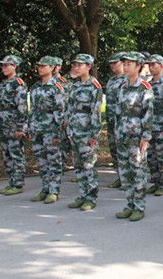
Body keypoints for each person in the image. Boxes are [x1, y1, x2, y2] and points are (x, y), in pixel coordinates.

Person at [114, 52, 154, 221]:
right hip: (122, 134)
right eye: (124, 64)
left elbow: (148, 113)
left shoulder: (144, 87)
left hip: (136, 136)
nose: (126, 67)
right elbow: (118, 112)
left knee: (138, 171)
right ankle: (129, 204)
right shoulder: (122, 86)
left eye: (129, 64)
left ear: (139, 66)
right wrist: (116, 132)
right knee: (125, 172)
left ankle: (139, 206)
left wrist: (145, 137)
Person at [65, 54, 103, 211]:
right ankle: (82, 194)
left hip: (87, 132)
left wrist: (94, 134)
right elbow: (69, 109)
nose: (76, 68)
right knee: (78, 166)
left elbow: (96, 112)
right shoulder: (74, 85)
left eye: (80, 65)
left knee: (89, 166)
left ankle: (91, 197)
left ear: (89, 67)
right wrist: (69, 129)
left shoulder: (94, 86)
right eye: (75, 65)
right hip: (75, 131)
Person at [28, 56, 65, 204]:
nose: (40, 68)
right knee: (41, 160)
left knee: (53, 160)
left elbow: (59, 112)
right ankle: (45, 188)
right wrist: (30, 127)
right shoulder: (35, 87)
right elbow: (32, 109)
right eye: (39, 66)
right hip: (37, 128)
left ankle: (54, 190)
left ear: (52, 68)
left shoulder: (57, 87)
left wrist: (57, 133)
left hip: (50, 129)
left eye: (44, 66)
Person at [0, 55, 28, 196]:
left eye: (6, 65)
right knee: (6, 154)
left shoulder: (18, 84)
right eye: (2, 66)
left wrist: (20, 127)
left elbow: (22, 107)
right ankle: (11, 181)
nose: (3, 68)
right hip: (3, 124)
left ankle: (18, 183)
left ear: (14, 66)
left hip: (14, 124)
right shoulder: (3, 84)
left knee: (16, 154)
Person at [144, 54, 163, 196]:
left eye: (154, 65)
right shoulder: (147, 85)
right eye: (149, 65)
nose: (151, 67)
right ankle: (155, 181)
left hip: (161, 127)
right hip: (149, 126)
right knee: (151, 156)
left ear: (162, 66)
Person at [105, 52, 128, 189]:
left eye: (115, 63)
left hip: (122, 120)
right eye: (111, 63)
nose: (113, 66)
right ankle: (120, 176)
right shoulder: (111, 80)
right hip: (110, 118)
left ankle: (128, 178)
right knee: (114, 149)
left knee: (124, 149)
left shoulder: (127, 80)